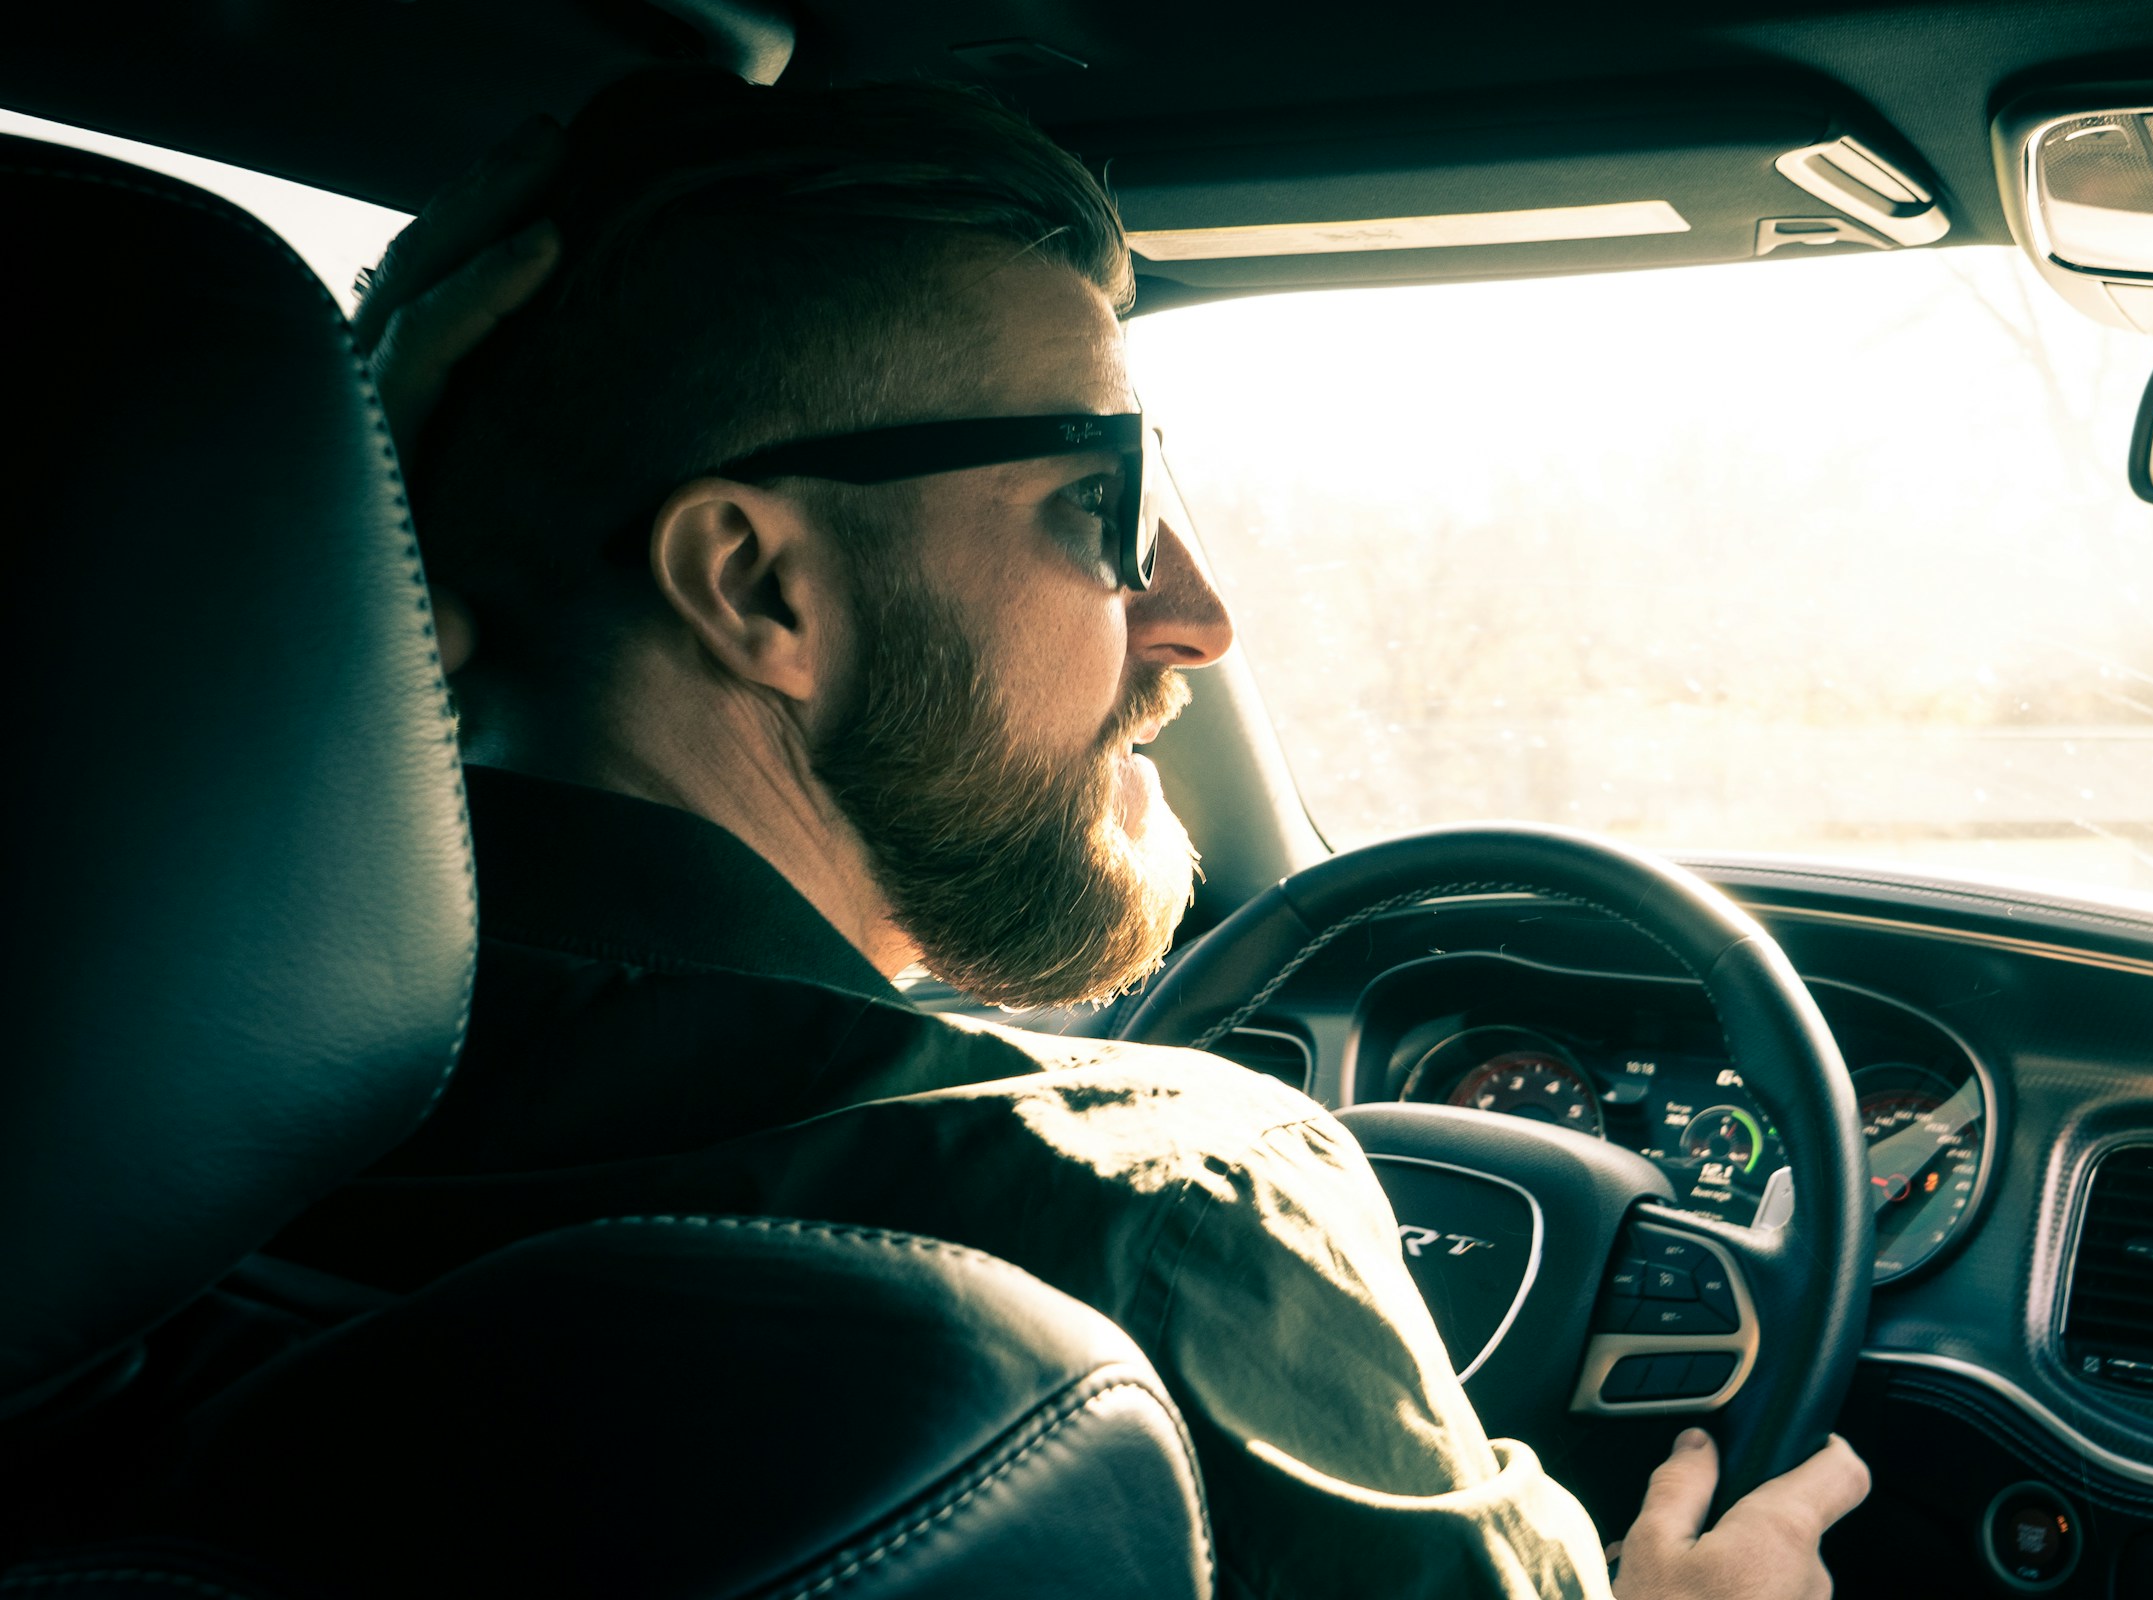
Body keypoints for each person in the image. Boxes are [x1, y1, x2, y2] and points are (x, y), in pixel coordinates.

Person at [288, 69, 1869, 1599]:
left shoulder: (135, 1141)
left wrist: (323, 566)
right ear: (761, 586)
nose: (1198, 616)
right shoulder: (1166, 1215)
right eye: (1101, 505)